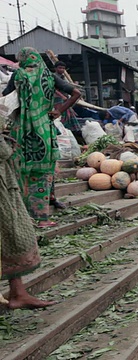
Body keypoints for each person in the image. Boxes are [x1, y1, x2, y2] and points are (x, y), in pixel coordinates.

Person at [2, 47, 81, 228]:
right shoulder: (49, 76)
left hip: (21, 131)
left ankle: (23, 218)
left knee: (21, 172)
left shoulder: (18, 75)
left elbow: (5, 98)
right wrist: (59, 110)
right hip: (44, 130)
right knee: (43, 172)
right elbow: (76, 93)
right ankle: (42, 218)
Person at [1, 116, 57, 309]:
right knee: (14, 234)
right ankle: (18, 293)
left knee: (11, 235)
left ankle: (18, 293)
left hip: (5, 183)